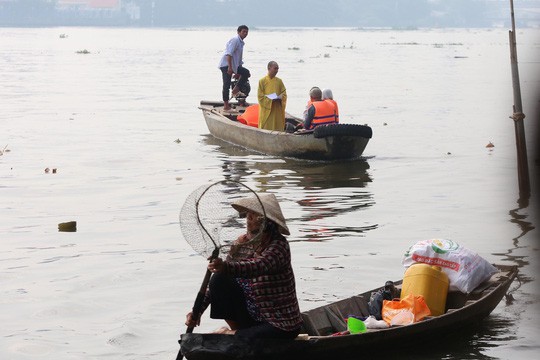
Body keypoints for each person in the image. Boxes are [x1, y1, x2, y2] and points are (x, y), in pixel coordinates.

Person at [185, 193, 303, 339]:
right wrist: (197, 311)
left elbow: (257, 266)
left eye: (256, 215)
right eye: (248, 214)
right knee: (218, 279)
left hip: (279, 324)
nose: (249, 218)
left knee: (224, 273)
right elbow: (218, 280)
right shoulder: (241, 244)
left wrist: (226, 267)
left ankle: (232, 334)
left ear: (268, 223)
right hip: (251, 317)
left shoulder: (278, 246)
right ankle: (239, 333)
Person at [218, 25, 251, 111]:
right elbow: (229, 54)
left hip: (234, 66)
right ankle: (226, 106)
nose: (245, 33)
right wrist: (230, 67)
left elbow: (238, 58)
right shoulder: (235, 40)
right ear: (238, 32)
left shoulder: (241, 43)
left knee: (246, 73)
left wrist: (238, 70)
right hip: (226, 65)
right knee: (226, 85)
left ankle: (236, 89)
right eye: (243, 31)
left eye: (246, 32)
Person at [257, 61, 287, 131]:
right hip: (267, 110)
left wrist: (280, 98)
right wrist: (270, 100)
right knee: (266, 127)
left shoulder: (279, 81)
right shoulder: (262, 81)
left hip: (277, 109)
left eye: (278, 69)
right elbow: (260, 97)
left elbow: (284, 94)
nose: (277, 71)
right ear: (269, 68)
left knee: (278, 128)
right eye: (275, 68)